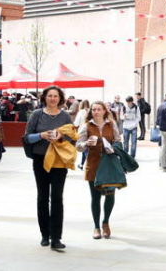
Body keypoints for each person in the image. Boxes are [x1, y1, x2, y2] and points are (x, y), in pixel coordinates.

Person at [24, 86, 73, 251]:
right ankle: (45, 234)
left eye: (55, 96)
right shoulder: (37, 114)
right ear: (44, 98)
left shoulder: (65, 116)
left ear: (60, 99)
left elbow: (72, 138)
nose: (52, 99)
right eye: (50, 96)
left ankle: (56, 237)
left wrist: (60, 137)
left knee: (57, 197)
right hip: (40, 160)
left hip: (59, 161)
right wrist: (42, 135)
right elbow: (27, 137)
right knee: (43, 197)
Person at [76, 101, 122, 239]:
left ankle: (105, 223)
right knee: (95, 197)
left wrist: (113, 147)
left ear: (104, 111)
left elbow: (118, 142)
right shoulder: (86, 126)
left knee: (110, 195)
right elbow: (78, 146)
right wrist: (86, 143)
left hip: (109, 165)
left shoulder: (111, 125)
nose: (96, 112)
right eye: (94, 109)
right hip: (93, 165)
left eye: (99, 109)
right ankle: (96, 227)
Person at [76, 100, 91, 168]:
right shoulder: (91, 110)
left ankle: (89, 164)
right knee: (85, 148)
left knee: (84, 148)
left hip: (82, 131)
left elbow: (76, 123)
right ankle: (81, 164)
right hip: (91, 130)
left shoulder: (81, 112)